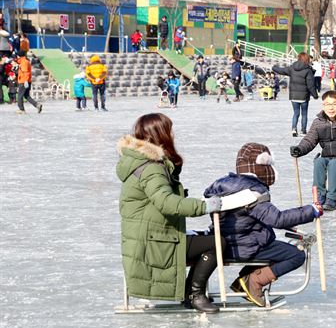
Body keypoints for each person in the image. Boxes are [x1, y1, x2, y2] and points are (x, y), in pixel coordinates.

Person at [116, 113, 223, 313]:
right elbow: (165, 202)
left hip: (146, 238)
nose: (173, 134)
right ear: (160, 134)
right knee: (216, 243)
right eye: (170, 130)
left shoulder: (138, 163)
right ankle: (193, 293)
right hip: (153, 244)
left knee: (205, 239)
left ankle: (190, 291)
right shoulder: (151, 168)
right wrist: (204, 206)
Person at [203, 142, 322, 307]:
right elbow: (277, 219)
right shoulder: (252, 193)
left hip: (222, 243)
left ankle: (244, 281)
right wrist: (311, 211)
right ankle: (254, 281)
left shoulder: (223, 186)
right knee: (296, 255)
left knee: (271, 244)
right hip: (246, 247)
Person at [290, 91, 336, 210]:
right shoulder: (318, 122)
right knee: (319, 162)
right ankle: (320, 196)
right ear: (323, 106)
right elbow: (309, 140)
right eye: (327, 104)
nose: (331, 108)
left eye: (334, 104)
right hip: (327, 157)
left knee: (334, 163)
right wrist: (299, 149)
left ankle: (332, 198)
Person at [273, 52, 318, 137]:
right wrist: (315, 95)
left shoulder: (292, 68)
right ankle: (303, 131)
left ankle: (294, 129)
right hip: (304, 96)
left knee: (296, 113)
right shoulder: (308, 70)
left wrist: (274, 67)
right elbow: (310, 85)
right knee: (304, 114)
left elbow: (281, 70)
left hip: (294, 96)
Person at [15, 50, 42, 114]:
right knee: (26, 96)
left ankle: (21, 109)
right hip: (26, 81)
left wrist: (25, 81)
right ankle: (37, 105)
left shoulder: (24, 62)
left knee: (20, 96)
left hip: (23, 81)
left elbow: (26, 73)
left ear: (19, 56)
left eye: (17, 56)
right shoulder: (24, 61)